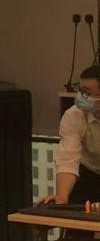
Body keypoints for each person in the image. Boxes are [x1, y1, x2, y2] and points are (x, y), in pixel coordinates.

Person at [42, 66, 100, 205]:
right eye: (80, 90)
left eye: (86, 92)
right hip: (87, 174)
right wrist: (61, 197)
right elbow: (68, 158)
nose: (80, 97)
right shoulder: (73, 115)